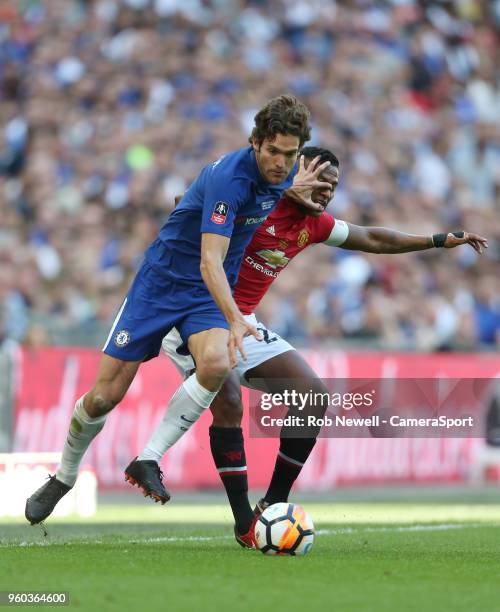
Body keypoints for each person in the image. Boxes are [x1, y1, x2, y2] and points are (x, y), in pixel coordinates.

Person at [130, 146, 488, 547]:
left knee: (311, 394)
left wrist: (438, 240)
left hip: (244, 322)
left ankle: (274, 506)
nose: (326, 192)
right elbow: (189, 206)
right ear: (290, 174)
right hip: (196, 315)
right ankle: (244, 522)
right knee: (228, 399)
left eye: (332, 186)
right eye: (319, 181)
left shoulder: (313, 225)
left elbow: (372, 238)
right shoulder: (252, 200)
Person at [24, 94, 333, 525]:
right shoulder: (231, 179)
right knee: (102, 398)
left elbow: (202, 205)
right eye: (274, 152)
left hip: (203, 296)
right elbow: (209, 260)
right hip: (160, 287)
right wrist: (236, 319)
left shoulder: (281, 179)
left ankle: (148, 458)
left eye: (291, 154)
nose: (282, 163)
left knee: (215, 362)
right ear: (255, 143)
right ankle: (64, 476)